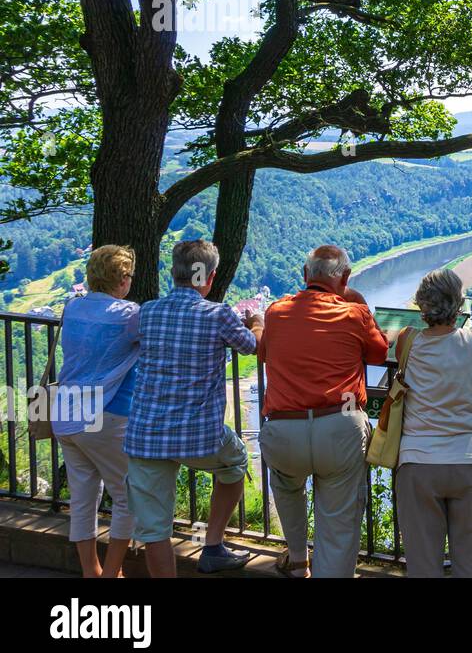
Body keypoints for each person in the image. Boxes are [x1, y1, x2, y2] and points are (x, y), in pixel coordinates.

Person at [125, 240, 262, 577]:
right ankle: (213, 545)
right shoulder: (218, 314)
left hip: (146, 434)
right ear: (210, 277)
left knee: (155, 531)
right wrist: (257, 321)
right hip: (198, 437)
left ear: (174, 273)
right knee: (235, 461)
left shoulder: (148, 311)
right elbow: (252, 347)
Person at [257, 245, 391, 578]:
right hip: (339, 428)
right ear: (344, 277)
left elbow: (263, 353)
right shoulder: (354, 313)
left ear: (305, 276)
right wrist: (356, 301)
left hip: (285, 429)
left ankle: (299, 560)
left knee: (288, 489)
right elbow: (379, 353)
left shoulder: (276, 312)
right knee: (339, 525)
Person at [396, 269, 472, 577]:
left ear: (423, 305)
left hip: (417, 461)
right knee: (471, 561)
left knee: (422, 562)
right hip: (468, 459)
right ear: (458, 303)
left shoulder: (408, 339)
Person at [52, 245, 141, 578]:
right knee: (127, 495)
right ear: (121, 278)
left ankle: (91, 571)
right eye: (129, 275)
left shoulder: (71, 307)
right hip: (104, 416)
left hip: (65, 415)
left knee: (83, 499)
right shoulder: (129, 314)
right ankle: (112, 574)